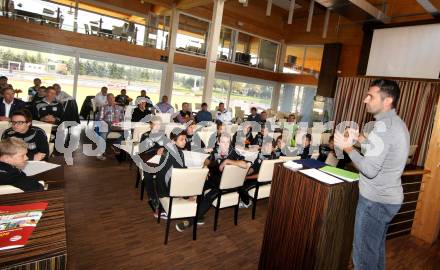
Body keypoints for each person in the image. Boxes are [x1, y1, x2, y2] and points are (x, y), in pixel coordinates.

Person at [334, 79, 409, 270]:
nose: (365, 99)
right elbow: (381, 152)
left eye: (371, 96)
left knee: (363, 257)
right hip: (387, 200)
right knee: (374, 252)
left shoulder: (384, 128)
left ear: (387, 101)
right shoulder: (394, 124)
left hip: (375, 203)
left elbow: (369, 169)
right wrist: (360, 138)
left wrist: (348, 148)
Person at [176, 133, 249, 232]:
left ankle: (190, 221)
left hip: (227, 184)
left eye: (228, 142)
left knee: (209, 196)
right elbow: (208, 161)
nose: (225, 145)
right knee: (197, 185)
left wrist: (227, 161)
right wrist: (206, 166)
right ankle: (198, 214)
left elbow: (245, 165)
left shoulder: (234, 152)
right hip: (214, 180)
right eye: (223, 142)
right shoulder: (215, 151)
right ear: (218, 142)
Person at [152, 129, 187, 217]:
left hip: (160, 186)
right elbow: (180, 173)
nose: (184, 142)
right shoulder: (177, 153)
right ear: (173, 141)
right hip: (166, 189)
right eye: (181, 139)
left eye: (185, 139)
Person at [239, 137, 277, 207]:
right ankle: (244, 198)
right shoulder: (261, 154)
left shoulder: (271, 159)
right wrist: (245, 174)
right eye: (265, 145)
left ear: (273, 148)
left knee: (242, 187)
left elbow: (261, 175)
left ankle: (247, 203)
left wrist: (247, 177)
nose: (266, 147)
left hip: (264, 180)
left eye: (269, 146)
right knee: (239, 181)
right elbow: (254, 167)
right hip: (256, 176)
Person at [95, 93, 124, 160]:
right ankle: (100, 153)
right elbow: (100, 119)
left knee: (126, 133)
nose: (110, 100)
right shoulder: (103, 107)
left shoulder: (120, 108)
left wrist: (119, 124)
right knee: (103, 135)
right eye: (109, 98)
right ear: (107, 100)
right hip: (106, 124)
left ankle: (116, 145)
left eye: (112, 98)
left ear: (114, 99)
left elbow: (122, 119)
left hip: (117, 126)